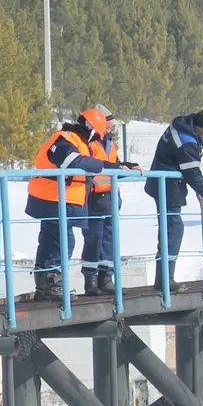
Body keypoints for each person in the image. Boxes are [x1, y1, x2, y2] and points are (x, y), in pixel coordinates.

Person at [25, 108, 134, 301]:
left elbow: (92, 162)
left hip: (60, 198)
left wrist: (120, 166)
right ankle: (51, 285)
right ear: (92, 127)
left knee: (52, 241)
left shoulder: (81, 142)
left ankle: (46, 285)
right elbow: (70, 160)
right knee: (61, 241)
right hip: (53, 197)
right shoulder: (66, 138)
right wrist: (107, 166)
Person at [146, 109, 203, 292]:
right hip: (167, 188)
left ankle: (165, 278)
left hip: (166, 186)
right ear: (201, 129)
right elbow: (193, 175)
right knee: (173, 231)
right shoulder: (186, 140)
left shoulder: (184, 127)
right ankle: (164, 280)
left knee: (171, 230)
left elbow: (188, 151)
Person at [80, 104, 123, 296]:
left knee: (109, 240)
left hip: (110, 197)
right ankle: (90, 280)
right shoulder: (88, 142)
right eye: (107, 125)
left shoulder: (109, 143)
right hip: (94, 197)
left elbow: (113, 163)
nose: (109, 129)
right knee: (94, 239)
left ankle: (106, 278)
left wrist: (124, 168)